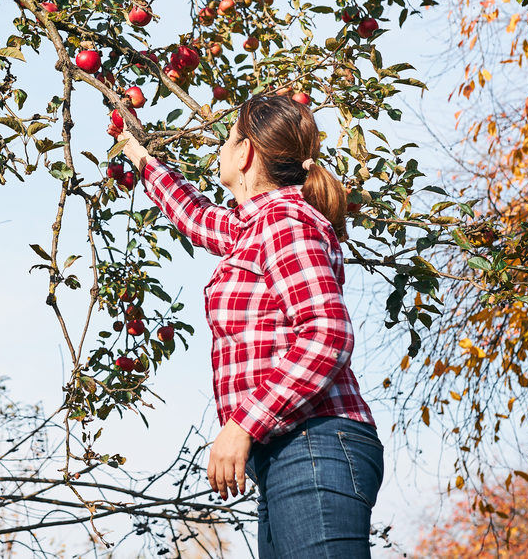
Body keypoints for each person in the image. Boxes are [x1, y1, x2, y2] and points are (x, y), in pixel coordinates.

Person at [116, 94, 383, 558]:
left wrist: (242, 425)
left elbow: (328, 333)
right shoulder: (253, 228)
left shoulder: (284, 222)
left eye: (227, 139)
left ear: (245, 153)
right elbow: (196, 217)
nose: (220, 149)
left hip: (314, 444)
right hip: (287, 452)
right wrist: (139, 154)